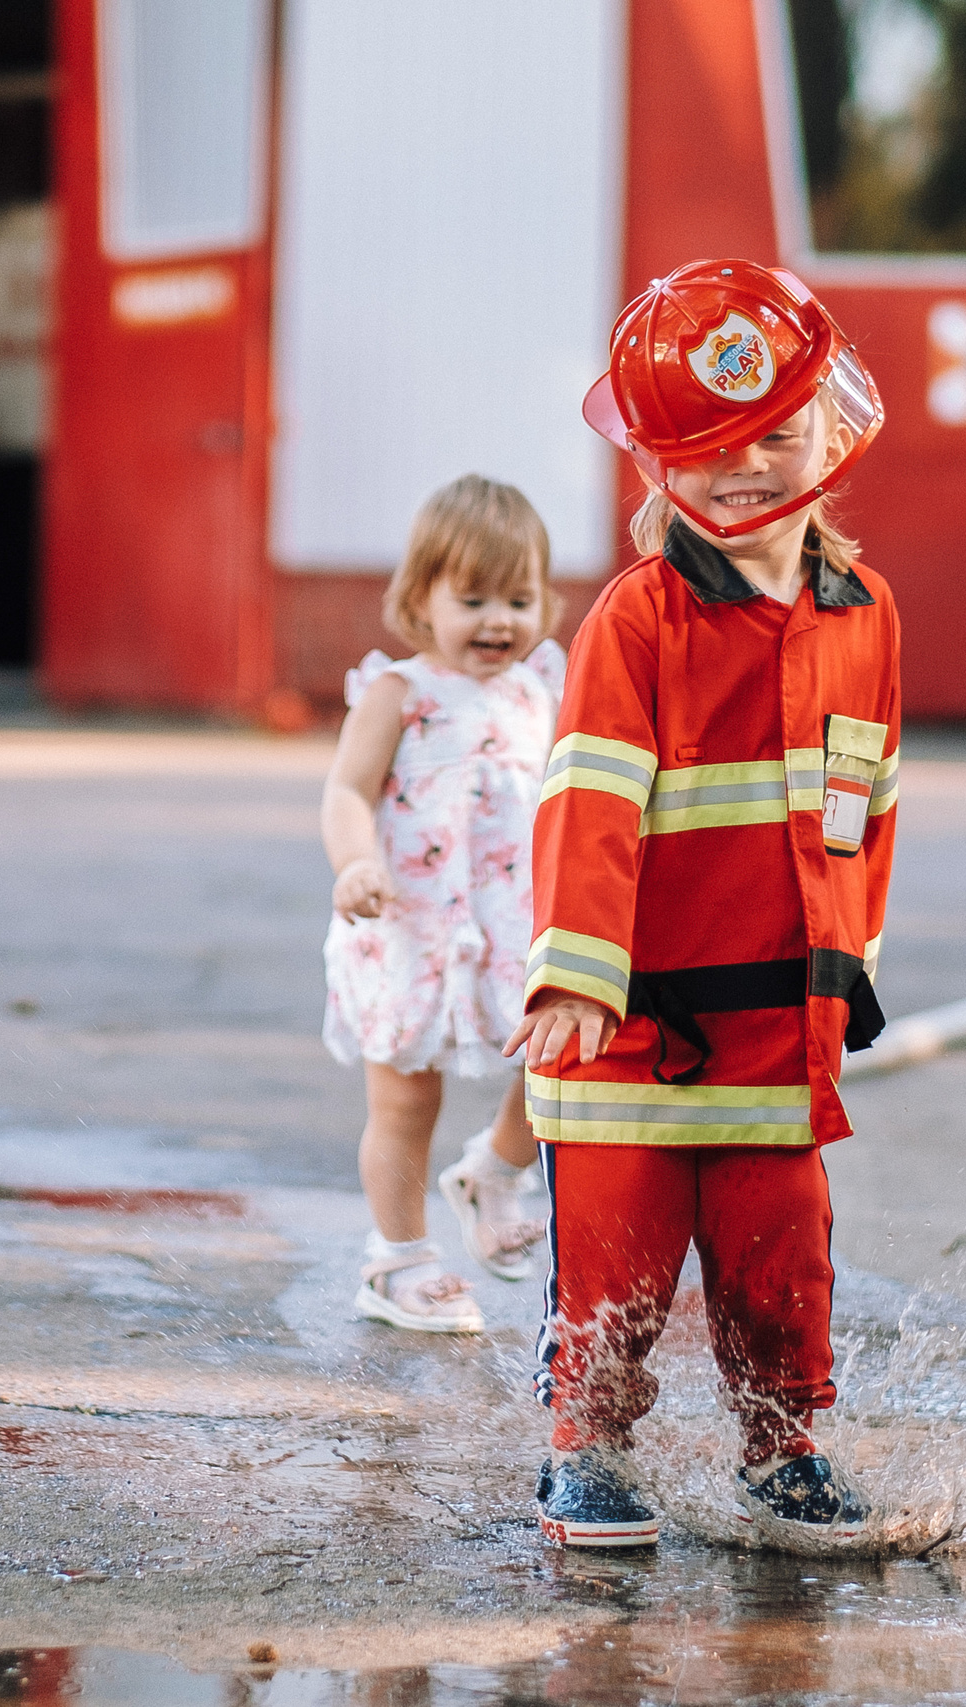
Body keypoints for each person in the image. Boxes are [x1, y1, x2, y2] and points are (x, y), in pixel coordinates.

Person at [505, 259, 897, 1547]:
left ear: (831, 426)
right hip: (625, 1029)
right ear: (656, 466)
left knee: (779, 1263)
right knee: (612, 1263)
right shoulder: (638, 619)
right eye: (703, 445)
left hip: (778, 1033)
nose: (743, 467)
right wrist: (571, 969)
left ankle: (781, 1449)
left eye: (773, 432)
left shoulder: (866, 615)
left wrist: (852, 972)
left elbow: (865, 805)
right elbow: (589, 797)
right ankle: (586, 1451)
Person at [320, 474, 565, 1334]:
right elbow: (347, 790)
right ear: (420, 597)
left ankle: (496, 1168)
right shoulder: (398, 693)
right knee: (405, 1101)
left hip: (515, 927)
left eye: (519, 597)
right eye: (473, 598)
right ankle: (397, 1259)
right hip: (410, 928)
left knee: (559, 1058)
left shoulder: (543, 689)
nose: (499, 619)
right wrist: (355, 862)